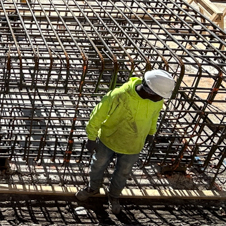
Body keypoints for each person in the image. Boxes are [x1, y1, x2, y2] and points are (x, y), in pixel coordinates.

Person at [75, 69, 175, 214]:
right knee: (98, 165)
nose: (161, 99)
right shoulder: (119, 95)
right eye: (160, 95)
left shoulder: (156, 101)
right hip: (109, 139)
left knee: (123, 172)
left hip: (133, 144)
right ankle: (93, 188)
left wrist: (151, 132)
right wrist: (91, 137)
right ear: (149, 91)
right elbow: (97, 115)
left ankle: (114, 196)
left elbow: (154, 116)